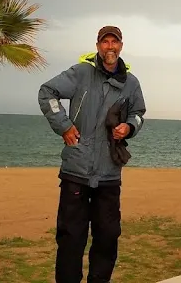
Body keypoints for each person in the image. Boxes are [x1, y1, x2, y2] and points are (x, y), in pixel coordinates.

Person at [38, 25, 147, 283]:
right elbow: (47, 92)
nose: (110, 47)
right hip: (76, 170)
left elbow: (139, 114)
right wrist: (63, 126)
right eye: (105, 42)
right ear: (98, 46)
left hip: (109, 172)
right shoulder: (81, 73)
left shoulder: (131, 83)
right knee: (71, 238)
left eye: (115, 42)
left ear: (121, 46)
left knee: (108, 237)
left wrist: (129, 127)